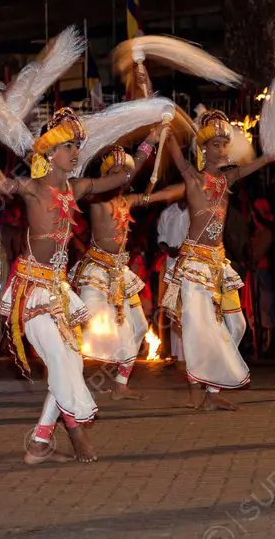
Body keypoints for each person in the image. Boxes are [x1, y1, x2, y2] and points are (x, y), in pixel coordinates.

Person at [0, 108, 157, 464]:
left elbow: (119, 180)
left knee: (67, 362)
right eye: (69, 146)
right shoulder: (33, 189)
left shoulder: (77, 187)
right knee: (62, 363)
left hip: (58, 291)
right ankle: (76, 433)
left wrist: (149, 143)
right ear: (51, 153)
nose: (75, 153)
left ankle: (39, 441)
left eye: (77, 146)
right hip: (32, 290)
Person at [161, 110, 274, 411]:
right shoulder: (192, 178)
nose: (223, 149)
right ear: (203, 150)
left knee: (236, 325)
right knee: (199, 329)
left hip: (219, 264)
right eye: (216, 144)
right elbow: (173, 149)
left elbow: (258, 164)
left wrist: (273, 153)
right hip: (195, 264)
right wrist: (164, 122)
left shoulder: (228, 179)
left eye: (226, 143)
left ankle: (212, 389)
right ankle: (195, 386)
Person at [72, 144, 180, 399]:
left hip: (120, 272)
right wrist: (148, 144)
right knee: (86, 330)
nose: (122, 176)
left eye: (125, 172)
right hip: (96, 272)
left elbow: (155, 196)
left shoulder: (128, 201)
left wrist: (174, 191)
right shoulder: (96, 200)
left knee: (140, 327)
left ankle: (120, 385)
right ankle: (67, 377)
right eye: (116, 171)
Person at [156, 199, 189, 363]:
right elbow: (160, 237)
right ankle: (174, 352)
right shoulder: (167, 213)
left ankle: (190, 351)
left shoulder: (195, 210)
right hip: (171, 265)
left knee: (188, 307)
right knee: (170, 307)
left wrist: (183, 250)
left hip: (190, 265)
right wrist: (168, 248)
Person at [250, 198, 275, 358]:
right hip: (256, 269)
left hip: (266, 269)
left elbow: (264, 225)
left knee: (267, 306)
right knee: (256, 308)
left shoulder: (268, 222)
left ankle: (269, 344)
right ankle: (258, 344)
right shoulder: (257, 225)